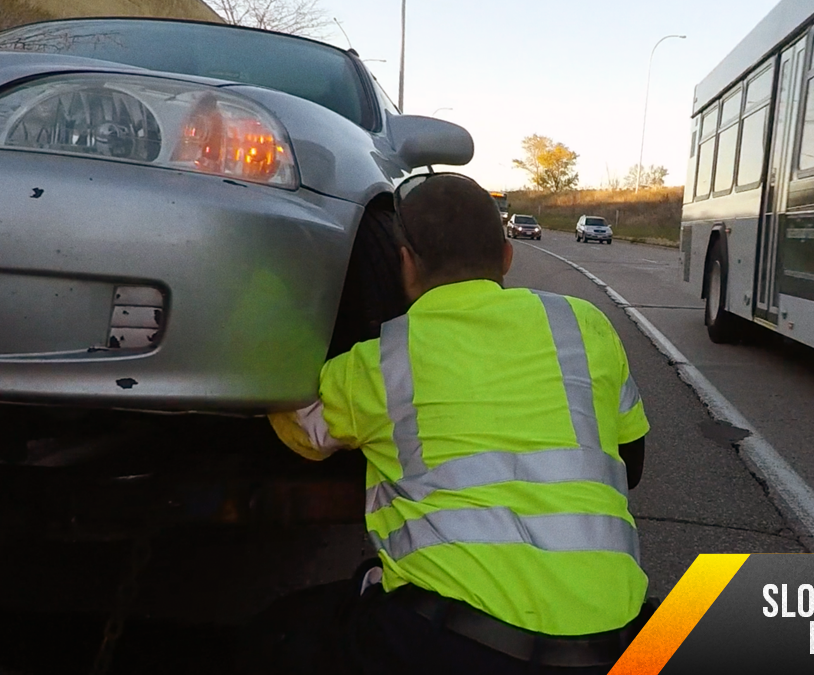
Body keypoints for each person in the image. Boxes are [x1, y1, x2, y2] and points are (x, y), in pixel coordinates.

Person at [239, 173, 654, 675]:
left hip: (454, 647)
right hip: (621, 641)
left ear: (406, 265)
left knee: (279, 632)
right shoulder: (584, 324)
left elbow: (301, 434)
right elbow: (631, 462)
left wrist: (262, 309)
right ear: (506, 257)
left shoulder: (380, 362)